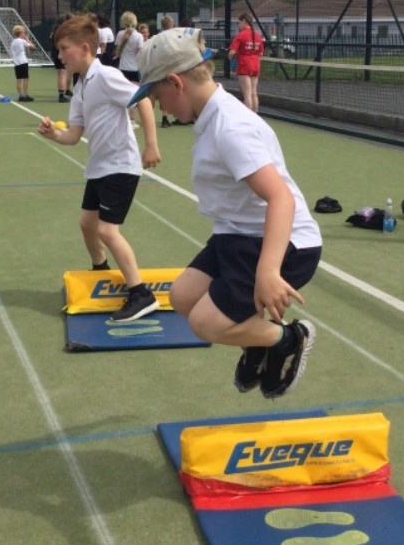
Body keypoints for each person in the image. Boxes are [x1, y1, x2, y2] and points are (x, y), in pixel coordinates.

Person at [128, 27, 322, 398]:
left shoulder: (231, 127)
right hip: (237, 234)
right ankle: (256, 341)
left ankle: (287, 339)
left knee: (205, 323)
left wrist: (268, 271)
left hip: (283, 243)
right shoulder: (211, 116)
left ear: (176, 83)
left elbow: (281, 198)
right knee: (182, 297)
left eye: (157, 96)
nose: (158, 107)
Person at [37, 14, 161, 322]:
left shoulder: (105, 75)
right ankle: (100, 272)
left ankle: (141, 294)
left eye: (64, 49)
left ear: (84, 48)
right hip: (99, 168)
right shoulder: (80, 86)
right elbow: (73, 135)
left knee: (106, 230)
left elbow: (143, 100)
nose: (59, 55)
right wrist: (54, 134)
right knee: (87, 224)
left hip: (120, 166)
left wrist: (151, 144)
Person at [228, 12, 266, 113]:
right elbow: (261, 53)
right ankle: (255, 114)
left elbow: (232, 52)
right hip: (256, 64)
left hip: (244, 64)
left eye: (239, 23)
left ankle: (248, 116)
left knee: (247, 94)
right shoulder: (258, 35)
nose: (239, 25)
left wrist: (230, 58)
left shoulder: (240, 35)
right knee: (254, 93)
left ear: (244, 20)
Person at [158, 15, 176, 127]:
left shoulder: (158, 37)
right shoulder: (175, 36)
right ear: (172, 24)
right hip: (173, 67)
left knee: (163, 92)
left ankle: (165, 117)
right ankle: (180, 116)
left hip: (161, 67)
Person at [51, 13, 73, 103]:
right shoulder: (63, 32)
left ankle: (63, 93)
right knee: (62, 74)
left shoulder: (55, 31)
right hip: (61, 52)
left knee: (60, 74)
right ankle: (62, 95)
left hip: (55, 52)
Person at [10, 24, 35, 102]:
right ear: (21, 33)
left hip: (16, 63)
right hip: (23, 62)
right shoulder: (22, 41)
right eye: (23, 32)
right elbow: (33, 47)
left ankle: (20, 96)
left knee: (18, 80)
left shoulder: (13, 42)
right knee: (25, 79)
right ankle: (26, 95)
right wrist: (27, 39)